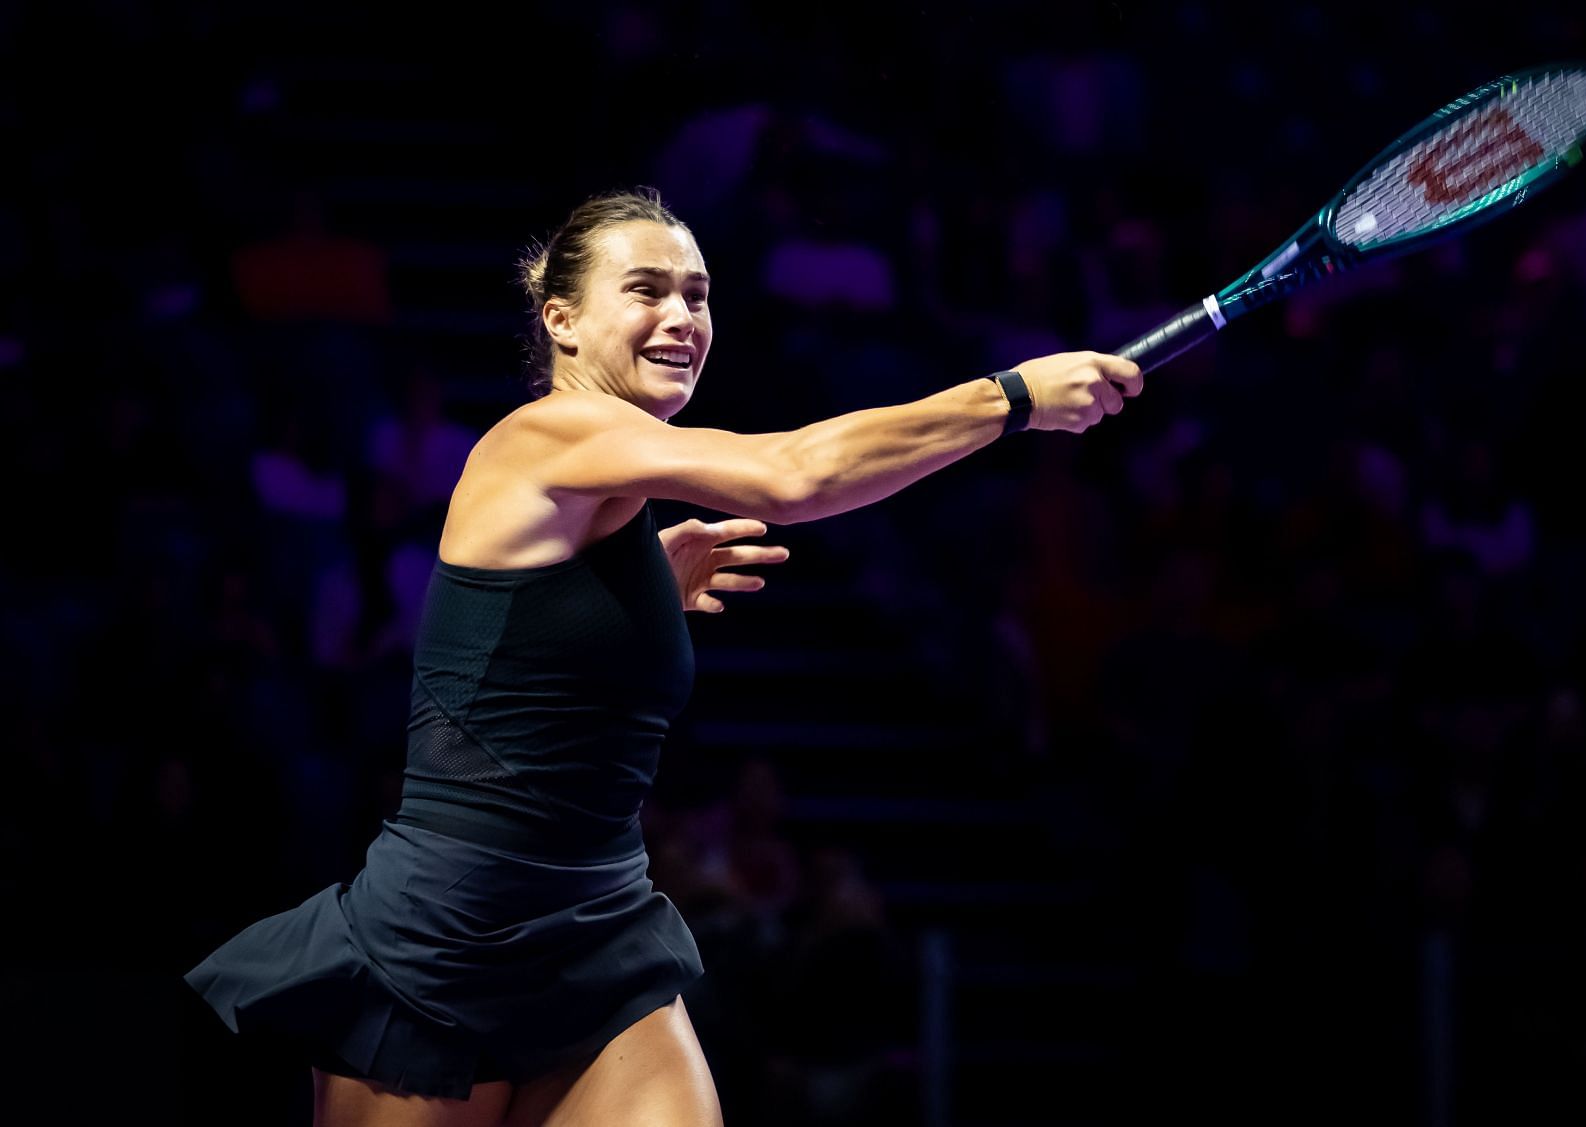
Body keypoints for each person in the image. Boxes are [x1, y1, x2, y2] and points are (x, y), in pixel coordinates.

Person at [183, 184, 1143, 1126]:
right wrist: (1012, 396)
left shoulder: (613, 501)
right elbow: (794, 474)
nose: (683, 315)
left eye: (698, 292)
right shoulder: (547, 434)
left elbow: (522, 648)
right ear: (560, 319)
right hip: (446, 935)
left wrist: (637, 592)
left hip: (598, 925)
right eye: (646, 290)